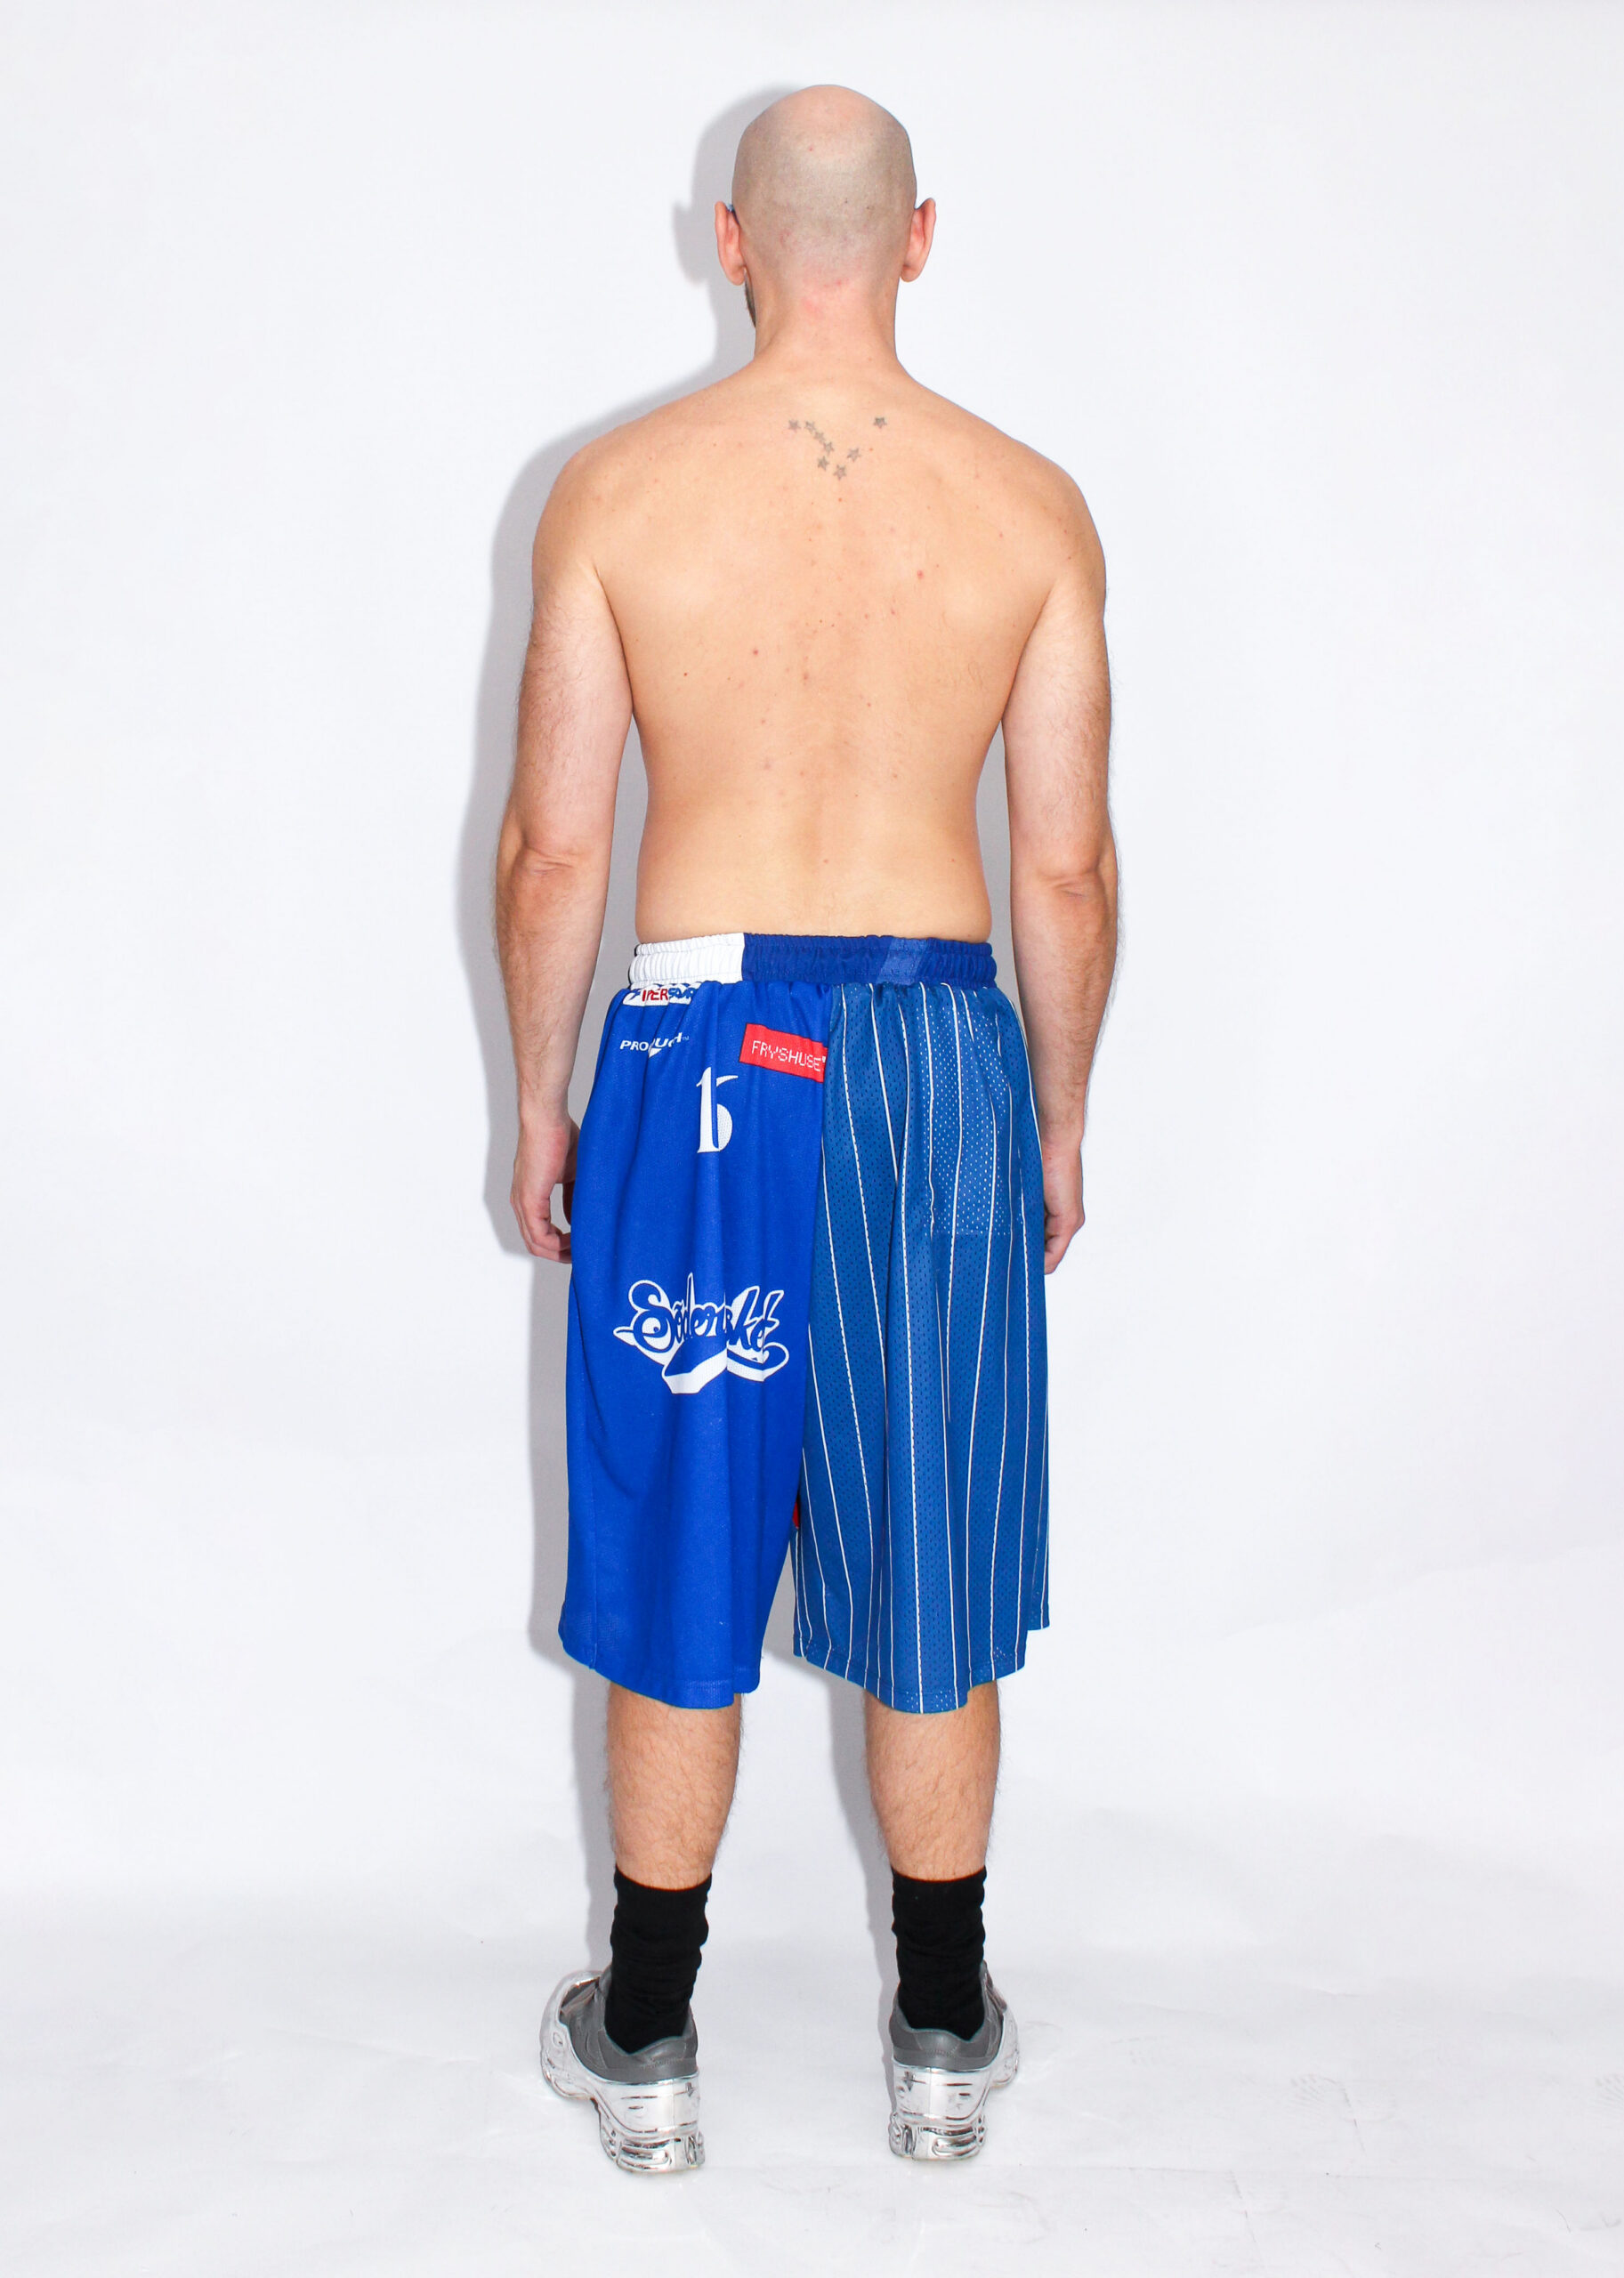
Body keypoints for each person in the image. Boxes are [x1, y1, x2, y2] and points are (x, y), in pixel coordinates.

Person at [496, 85, 1116, 2172]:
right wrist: (1055, 1113)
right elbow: (1065, 870)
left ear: (736, 238)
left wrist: (542, 1095)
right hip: (939, 1052)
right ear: (918, 237)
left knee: (683, 1530)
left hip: (698, 1055)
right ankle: (942, 2031)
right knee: (927, 1548)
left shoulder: (619, 492)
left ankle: (646, 2032)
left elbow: (554, 846)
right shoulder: (1027, 507)